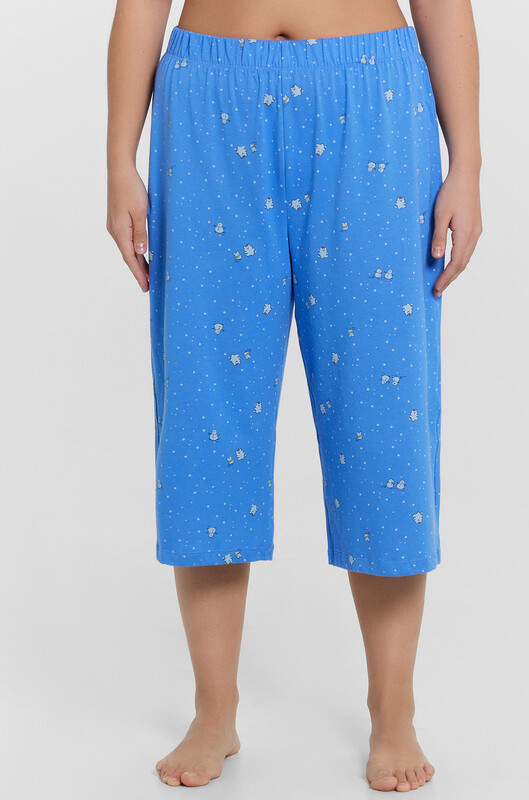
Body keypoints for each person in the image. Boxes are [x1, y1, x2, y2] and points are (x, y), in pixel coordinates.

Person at [106, 0, 482, 791]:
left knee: (384, 420)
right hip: (209, 101)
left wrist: (468, 163)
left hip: (372, 96)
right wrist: (118, 160)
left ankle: (394, 708)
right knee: (206, 423)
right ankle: (214, 709)